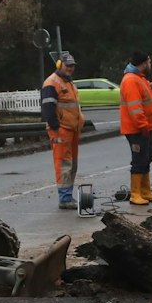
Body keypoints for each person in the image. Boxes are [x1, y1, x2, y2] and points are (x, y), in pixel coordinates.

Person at [40, 51, 85, 209]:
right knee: (64, 164)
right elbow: (48, 108)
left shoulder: (69, 83)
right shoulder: (52, 83)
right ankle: (64, 198)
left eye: (72, 66)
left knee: (72, 164)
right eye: (68, 65)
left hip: (72, 130)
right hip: (61, 130)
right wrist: (56, 128)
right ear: (60, 65)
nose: (70, 68)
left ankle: (68, 196)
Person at [120, 51, 152, 205]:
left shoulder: (140, 79)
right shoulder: (131, 80)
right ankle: (135, 193)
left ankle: (145, 191)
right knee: (139, 159)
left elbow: (150, 91)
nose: (150, 65)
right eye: (149, 62)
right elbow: (135, 108)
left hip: (144, 127)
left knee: (147, 157)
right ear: (144, 63)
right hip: (137, 129)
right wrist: (142, 125)